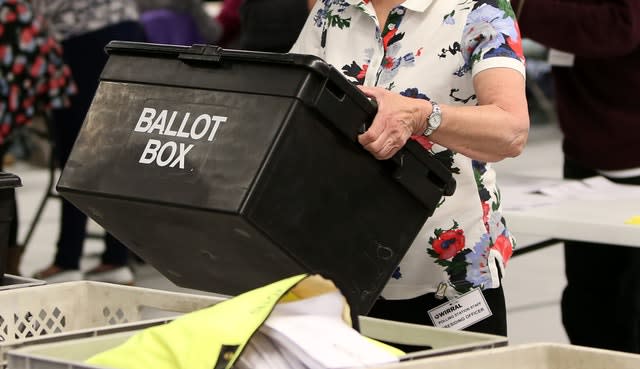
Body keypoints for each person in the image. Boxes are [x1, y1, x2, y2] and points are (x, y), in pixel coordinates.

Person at [290, 0, 529, 339]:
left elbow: (511, 130)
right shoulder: (332, 9)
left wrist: (422, 116)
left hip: (445, 280)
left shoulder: (478, 10)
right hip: (340, 271)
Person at [511, 0, 640, 354]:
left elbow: (620, 25)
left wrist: (517, 8)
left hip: (627, 151)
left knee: (624, 312)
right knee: (590, 304)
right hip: (590, 144)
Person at [30, 0, 147, 284]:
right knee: (120, 148)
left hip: (81, 39)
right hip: (127, 33)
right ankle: (116, 258)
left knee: (77, 152)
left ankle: (68, 259)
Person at [0, 0, 75, 275]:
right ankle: (9, 264)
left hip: (16, 77)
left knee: (2, 184)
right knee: (3, 183)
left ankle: (8, 265)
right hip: (20, 78)